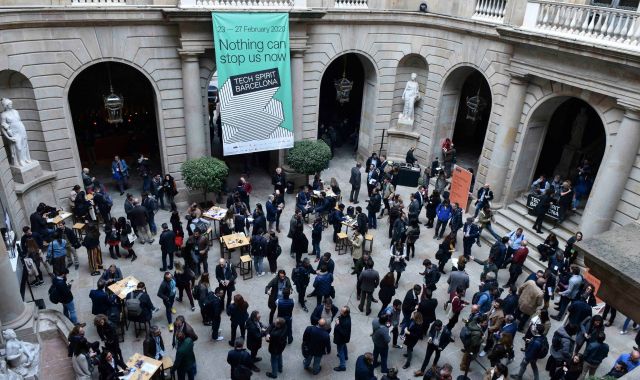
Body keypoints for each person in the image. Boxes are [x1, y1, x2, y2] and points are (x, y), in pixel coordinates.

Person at [333, 306, 351, 372]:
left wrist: (338, 324)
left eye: (342, 311)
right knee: (344, 346)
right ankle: (345, 356)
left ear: (345, 313)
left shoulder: (346, 322)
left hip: (341, 339)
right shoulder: (346, 316)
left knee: (340, 351)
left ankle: (342, 366)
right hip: (343, 339)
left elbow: (344, 333)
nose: (340, 312)